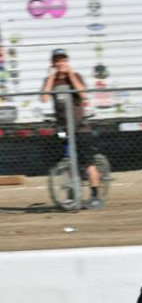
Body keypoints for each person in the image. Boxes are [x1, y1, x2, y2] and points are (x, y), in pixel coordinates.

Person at [41, 49, 103, 208]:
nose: (60, 63)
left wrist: (71, 75)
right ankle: (72, 193)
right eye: (57, 60)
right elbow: (44, 98)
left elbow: (83, 94)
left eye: (63, 60)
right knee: (66, 159)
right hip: (63, 129)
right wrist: (51, 78)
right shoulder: (51, 80)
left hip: (80, 128)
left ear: (67, 61)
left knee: (88, 162)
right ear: (53, 63)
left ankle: (95, 196)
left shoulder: (76, 77)